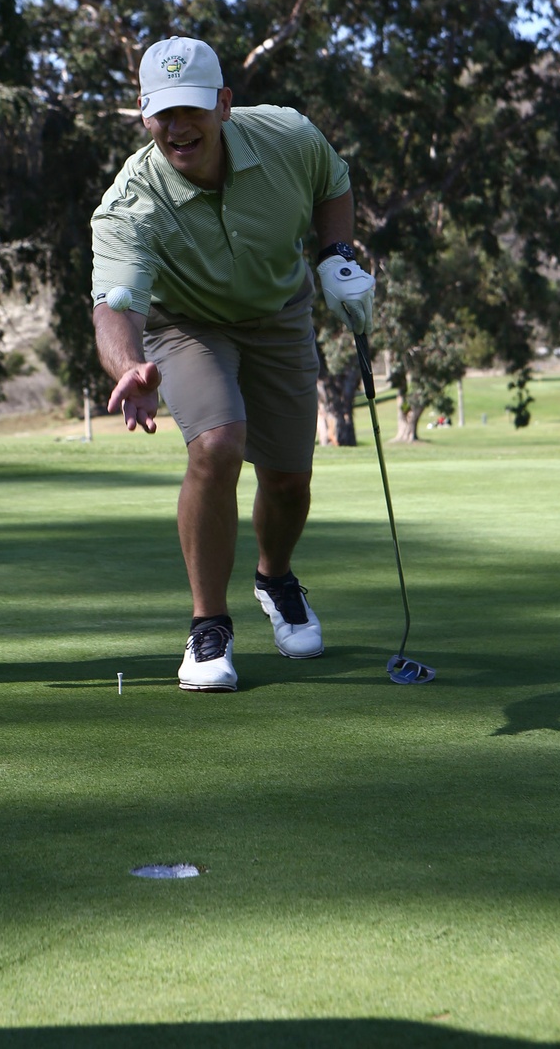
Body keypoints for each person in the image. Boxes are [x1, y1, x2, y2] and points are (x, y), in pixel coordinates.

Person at [91, 36, 374, 692]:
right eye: (163, 114)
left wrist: (336, 255)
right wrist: (128, 367)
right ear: (143, 114)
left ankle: (275, 578)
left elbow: (334, 182)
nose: (178, 127)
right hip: (184, 322)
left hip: (278, 311)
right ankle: (208, 628)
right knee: (217, 445)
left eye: (191, 109)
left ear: (223, 104)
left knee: (286, 480)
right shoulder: (130, 202)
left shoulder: (288, 137)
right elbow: (116, 307)